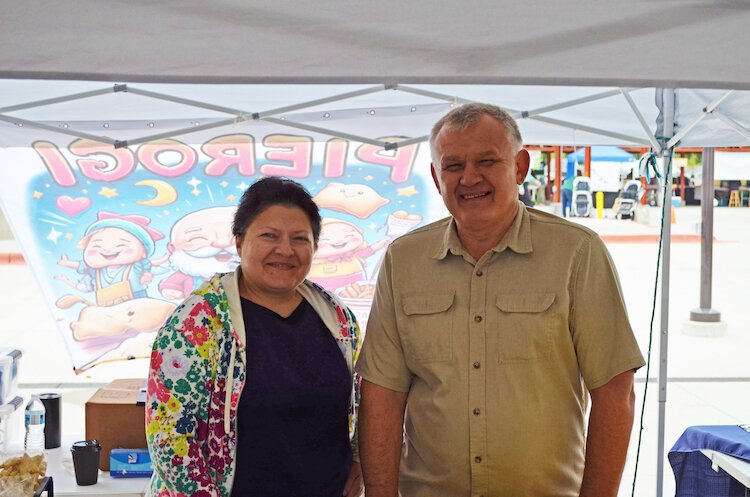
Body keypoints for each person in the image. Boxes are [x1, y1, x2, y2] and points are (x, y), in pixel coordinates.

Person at [355, 103, 645, 497]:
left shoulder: (576, 253)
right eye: (453, 166)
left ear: (521, 167)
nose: (469, 178)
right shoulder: (403, 260)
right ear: (437, 178)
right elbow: (382, 394)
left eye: (487, 161)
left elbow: (615, 392)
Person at [146, 177, 364, 497]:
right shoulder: (196, 324)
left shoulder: (337, 318)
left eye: (300, 238)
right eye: (269, 236)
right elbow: (170, 440)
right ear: (238, 242)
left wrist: (359, 462)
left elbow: (363, 401)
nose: (285, 250)